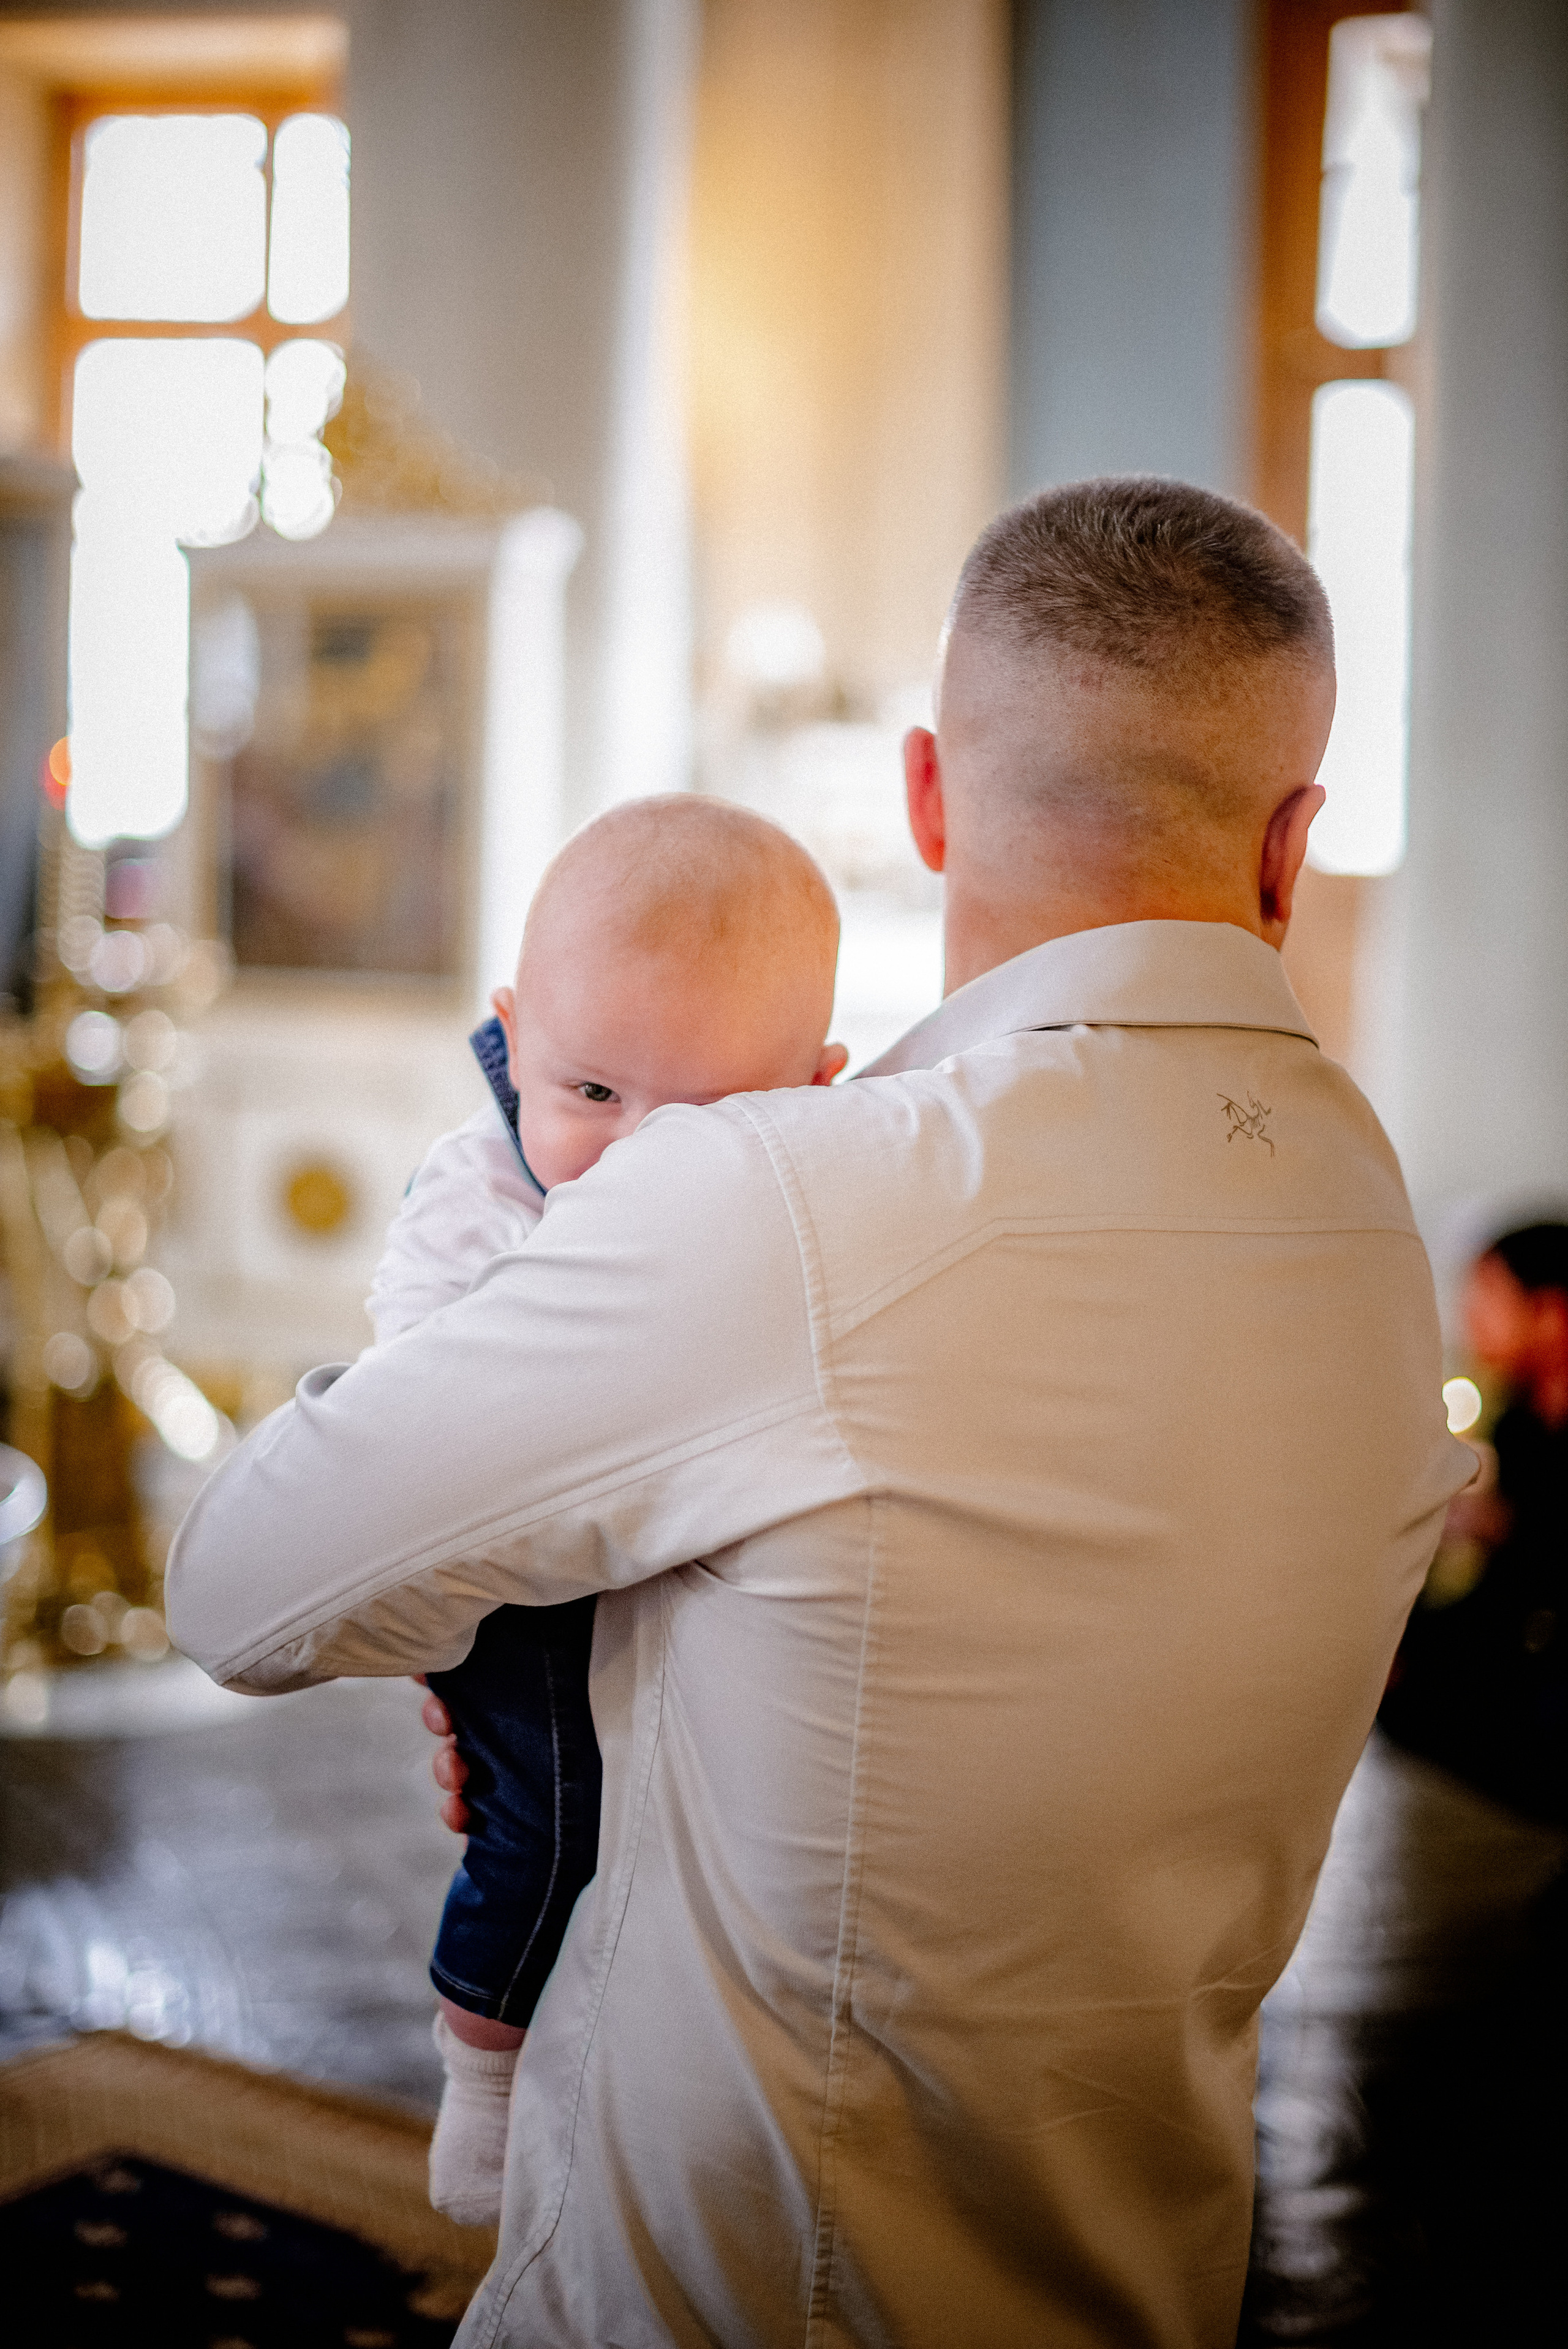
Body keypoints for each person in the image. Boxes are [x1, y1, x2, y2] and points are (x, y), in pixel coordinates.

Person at [167, 477, 1473, 2349]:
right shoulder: (1367, 1220)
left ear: (929, 797)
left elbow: (242, 1586)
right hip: (1141, 2280)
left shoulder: (790, 1200)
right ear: (1290, 842)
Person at [364, 797, 847, 2221]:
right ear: (510, 1036)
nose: (632, 1152)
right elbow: (408, 1404)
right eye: (589, 1095)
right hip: (517, 1579)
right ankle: (482, 2060)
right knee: (548, 1815)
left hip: (679, 1569)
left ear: (813, 1093)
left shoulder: (813, 1191)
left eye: (701, 1118)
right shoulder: (477, 1190)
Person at [1380, 1221, 1568, 1823]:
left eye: (1488, 1296)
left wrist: (1502, 1526)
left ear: (1549, 1309)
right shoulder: (1517, 1420)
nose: (1470, 1317)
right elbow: (1502, 1588)